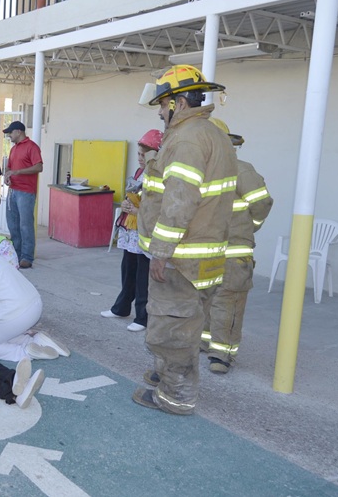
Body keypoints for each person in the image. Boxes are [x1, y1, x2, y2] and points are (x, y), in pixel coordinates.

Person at [132, 65, 238, 415]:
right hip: (203, 254)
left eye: (163, 105)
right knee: (186, 322)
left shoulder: (188, 138)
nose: (160, 112)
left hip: (181, 258)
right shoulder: (211, 134)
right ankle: (166, 375)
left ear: (177, 103)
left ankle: (175, 396)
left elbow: (179, 200)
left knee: (172, 329)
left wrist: (161, 253)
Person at [201, 118, 273, 374]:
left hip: (229, 253)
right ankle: (211, 345)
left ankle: (222, 353)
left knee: (225, 301)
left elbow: (261, 204)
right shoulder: (209, 172)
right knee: (213, 300)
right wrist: (247, 226)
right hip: (215, 251)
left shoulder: (238, 171)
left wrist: (246, 227)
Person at [101, 129, 162, 332]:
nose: (141, 158)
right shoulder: (138, 173)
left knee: (143, 275)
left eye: (145, 155)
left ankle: (142, 317)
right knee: (128, 270)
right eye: (139, 154)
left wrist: (138, 210)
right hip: (132, 229)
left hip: (146, 232)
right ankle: (122, 307)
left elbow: (158, 206)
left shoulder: (160, 176)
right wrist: (128, 206)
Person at [3, 121, 43, 269]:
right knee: (13, 224)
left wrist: (18, 172)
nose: (9, 135)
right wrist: (8, 173)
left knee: (25, 225)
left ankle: (27, 256)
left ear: (18, 131)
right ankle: (16, 254)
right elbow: (10, 166)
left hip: (26, 192)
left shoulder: (32, 147)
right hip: (13, 190)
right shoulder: (14, 149)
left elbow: (39, 166)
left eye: (10, 132)